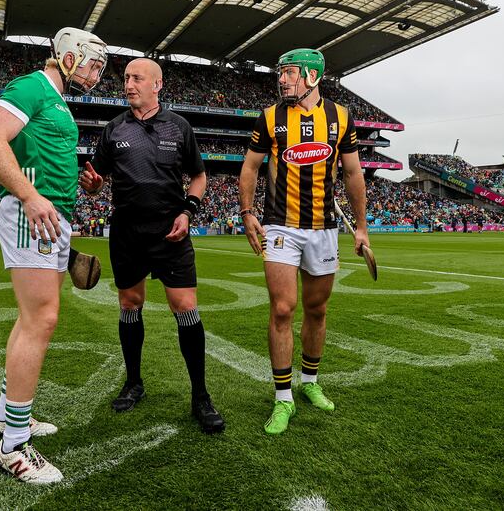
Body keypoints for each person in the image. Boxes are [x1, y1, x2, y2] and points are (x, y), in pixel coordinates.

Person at [0, 27, 107, 484]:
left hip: (50, 218)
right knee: (41, 321)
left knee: (33, 319)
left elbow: (44, 156)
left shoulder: (55, 99)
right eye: (92, 64)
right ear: (69, 57)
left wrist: (81, 183)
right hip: (33, 215)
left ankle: (7, 417)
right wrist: (31, 197)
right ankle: (13, 447)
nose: (95, 75)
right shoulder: (31, 87)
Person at [80, 58, 225, 433]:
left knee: (185, 306)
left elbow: (198, 175)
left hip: (170, 231)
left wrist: (188, 211)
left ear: (157, 84)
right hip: (127, 231)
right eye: (126, 78)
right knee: (130, 303)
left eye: (136, 78)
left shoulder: (179, 127)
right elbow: (95, 180)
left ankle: (200, 396)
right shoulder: (113, 130)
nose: (128, 84)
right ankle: (134, 383)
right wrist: (93, 185)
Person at [238, 48, 369, 434]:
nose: (282, 80)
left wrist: (360, 226)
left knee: (317, 310)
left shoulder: (340, 117)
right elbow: (249, 167)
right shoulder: (269, 117)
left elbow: (353, 173)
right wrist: (247, 213)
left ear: (312, 76)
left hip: (325, 228)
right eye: (281, 74)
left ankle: (310, 381)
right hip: (281, 226)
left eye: (289, 73)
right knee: (282, 308)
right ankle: (283, 399)